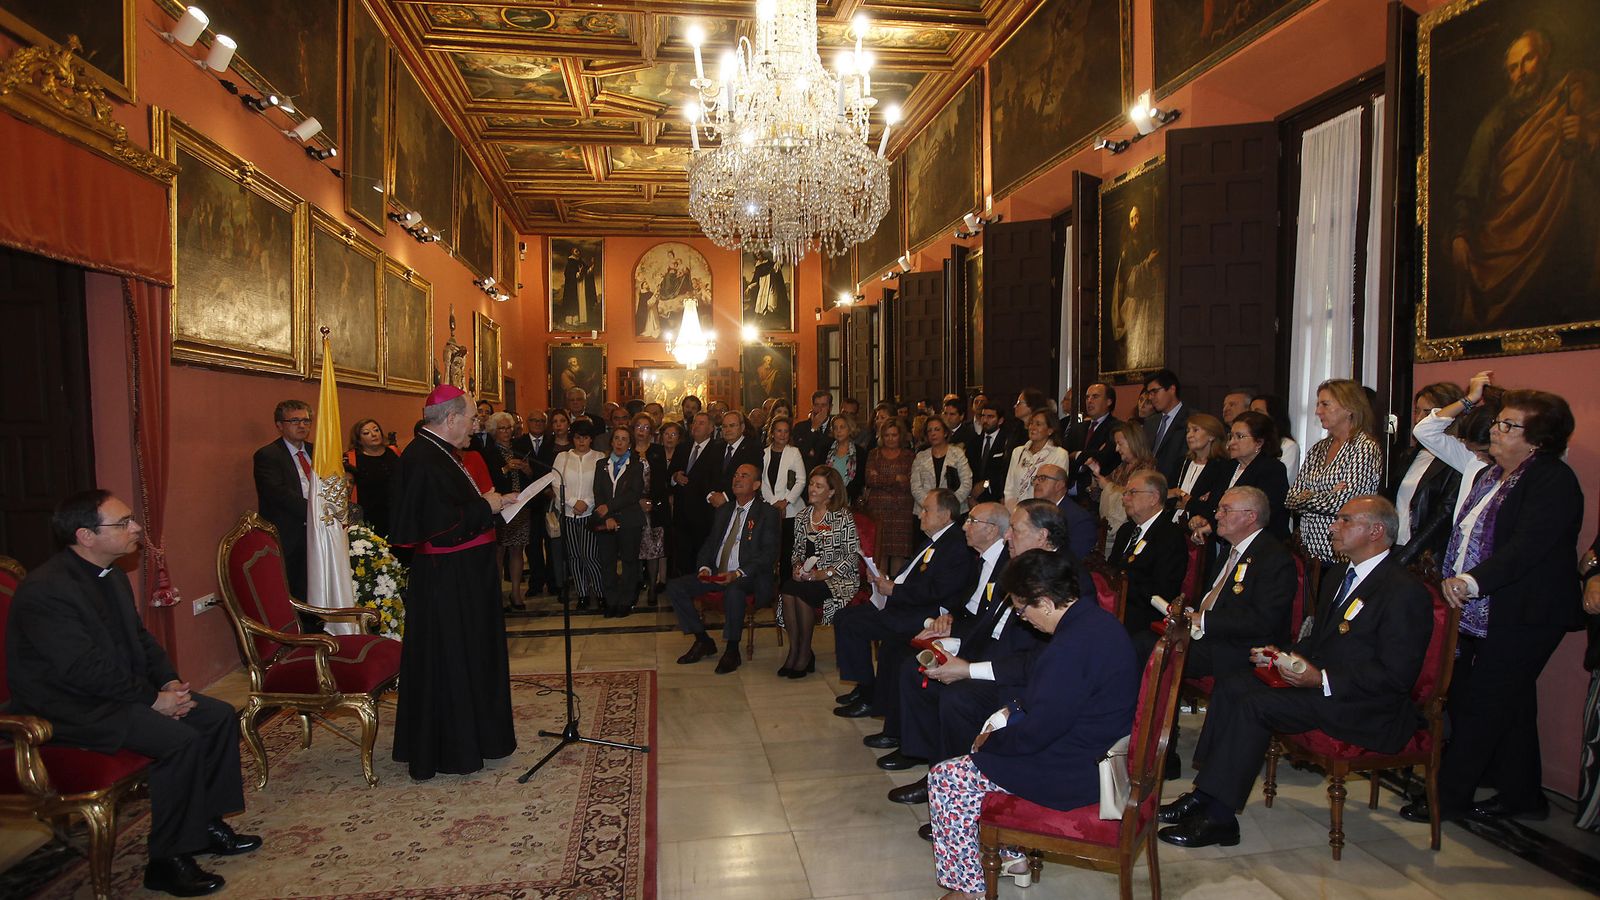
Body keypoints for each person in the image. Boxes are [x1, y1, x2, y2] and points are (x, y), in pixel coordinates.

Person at [7, 491, 261, 896]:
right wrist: (150, 701)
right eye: (122, 522)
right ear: (85, 535)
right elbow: (81, 670)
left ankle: (206, 825)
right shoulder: (48, 591)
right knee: (179, 742)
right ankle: (168, 860)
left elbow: (139, 641)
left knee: (215, 717)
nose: (136, 527)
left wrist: (167, 682)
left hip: (116, 695)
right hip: (70, 708)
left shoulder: (109, 574)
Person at [1158, 496, 1432, 849]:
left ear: (1376, 531)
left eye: (1345, 520)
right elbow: (1319, 644)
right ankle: (1206, 793)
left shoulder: (1403, 592)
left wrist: (1322, 679)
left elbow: (1397, 675)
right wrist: (1282, 656)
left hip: (1363, 703)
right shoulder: (1338, 575)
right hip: (1321, 686)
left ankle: (1221, 818)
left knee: (1254, 704)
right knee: (1234, 682)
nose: (1333, 527)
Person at [1398, 377, 1584, 824]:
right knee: (1511, 703)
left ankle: (1450, 798)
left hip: (1528, 612)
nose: (1495, 431)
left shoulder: (1551, 480)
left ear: (1538, 439)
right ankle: (1523, 796)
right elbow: (1428, 435)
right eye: (1498, 423)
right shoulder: (1490, 474)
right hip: (1486, 610)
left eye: (1508, 426)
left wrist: (1472, 581)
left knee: (1485, 703)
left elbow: (1528, 547)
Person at [927, 550, 1139, 900]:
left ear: (1044, 602)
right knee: (990, 740)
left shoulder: (1069, 648)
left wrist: (989, 744)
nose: (1023, 620)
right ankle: (1013, 856)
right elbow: (1059, 699)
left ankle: (966, 889)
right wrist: (1012, 713)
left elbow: (1041, 731)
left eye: (1022, 610)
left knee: (947, 778)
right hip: (1093, 749)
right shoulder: (1098, 623)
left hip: (1075, 770)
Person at [388, 385, 516, 781]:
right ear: (451, 419)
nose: (476, 424)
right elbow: (438, 527)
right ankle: (454, 747)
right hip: (448, 582)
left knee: (471, 656)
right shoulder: (422, 458)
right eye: (473, 417)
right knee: (452, 661)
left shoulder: (441, 452)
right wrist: (487, 505)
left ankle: (479, 735)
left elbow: (450, 508)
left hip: (464, 577)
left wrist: (490, 502)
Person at [1447, 29, 1599, 334]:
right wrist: (1461, 230)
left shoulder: (1573, 94)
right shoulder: (1496, 121)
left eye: (1527, 60)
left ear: (1543, 58)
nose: (1521, 72)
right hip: (1506, 233)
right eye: (1514, 68)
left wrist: (1589, 136)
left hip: (1566, 232)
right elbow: (1472, 176)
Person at [874, 501, 1014, 790]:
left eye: (972, 521)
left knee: (927, 674)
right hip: (968, 630)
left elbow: (991, 620)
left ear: (991, 530)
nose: (965, 526)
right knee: (911, 664)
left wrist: (955, 637)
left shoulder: (1006, 564)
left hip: (986, 644)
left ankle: (943, 777)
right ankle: (918, 751)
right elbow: (968, 603)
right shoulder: (981, 558)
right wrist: (948, 619)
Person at [834, 489, 975, 720]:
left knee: (854, 625)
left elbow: (938, 591)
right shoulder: (933, 541)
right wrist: (886, 579)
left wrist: (895, 590)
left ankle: (869, 693)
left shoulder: (955, 545)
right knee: (843, 617)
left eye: (926, 509)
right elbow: (913, 578)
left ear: (945, 514)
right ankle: (864, 686)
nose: (920, 514)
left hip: (926, 614)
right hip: (905, 601)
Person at [666, 463, 780, 674]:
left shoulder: (767, 513)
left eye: (744, 476)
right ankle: (702, 640)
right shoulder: (724, 510)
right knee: (675, 587)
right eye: (736, 475)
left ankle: (732, 649)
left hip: (749, 577)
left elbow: (768, 555)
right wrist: (704, 568)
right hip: (717, 574)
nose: (737, 479)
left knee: (735, 590)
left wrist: (737, 573)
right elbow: (710, 543)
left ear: (756, 484)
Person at [775, 466, 861, 678]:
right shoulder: (803, 515)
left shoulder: (842, 517)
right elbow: (796, 551)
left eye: (818, 486)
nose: (812, 489)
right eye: (811, 484)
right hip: (808, 576)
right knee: (788, 588)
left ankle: (803, 653)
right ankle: (796, 650)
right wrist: (797, 567)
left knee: (804, 592)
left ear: (831, 492)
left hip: (837, 578)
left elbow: (852, 556)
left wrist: (824, 574)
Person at [1286, 379, 1383, 565]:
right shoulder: (1319, 448)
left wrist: (1308, 497)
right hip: (1308, 551)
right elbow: (1290, 498)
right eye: (1317, 404)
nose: (1317, 411)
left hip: (1342, 553)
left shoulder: (1364, 448)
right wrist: (1326, 495)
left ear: (1349, 408)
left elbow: (1344, 504)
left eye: (1325, 404)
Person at [1387, 382, 1466, 566]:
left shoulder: (1456, 459)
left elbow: (1443, 515)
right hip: (1395, 545)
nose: (1419, 418)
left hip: (1428, 555)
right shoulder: (1410, 454)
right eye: (1417, 411)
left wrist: (1409, 553)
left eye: (1428, 413)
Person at [1107, 470, 1188, 638]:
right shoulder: (1126, 530)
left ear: (1154, 498)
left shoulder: (1170, 536)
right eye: (1125, 493)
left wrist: (1123, 586)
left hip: (1142, 615)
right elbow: (1111, 569)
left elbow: (1163, 590)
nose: (1125, 498)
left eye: (1132, 493)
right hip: (1113, 605)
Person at [1190, 410, 1289, 543]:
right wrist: (1204, 518)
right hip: (1224, 543)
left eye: (1239, 437)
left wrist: (1212, 526)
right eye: (1231, 436)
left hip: (1260, 546)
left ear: (1258, 443)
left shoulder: (1271, 469)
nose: (1231, 443)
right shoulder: (1227, 467)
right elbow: (1215, 504)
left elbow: (1261, 515)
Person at [253, 399, 314, 605]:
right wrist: (316, 511)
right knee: (294, 590)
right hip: (290, 535)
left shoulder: (318, 452)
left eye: (306, 420)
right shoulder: (268, 456)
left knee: (317, 586)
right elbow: (279, 494)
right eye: (294, 420)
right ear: (279, 425)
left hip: (319, 532)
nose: (302, 425)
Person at [592, 425, 647, 618]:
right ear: (611, 441)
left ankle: (626, 601)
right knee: (607, 562)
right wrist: (607, 516)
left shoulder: (637, 465)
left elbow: (633, 494)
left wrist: (611, 508)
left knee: (629, 562)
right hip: (606, 520)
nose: (620, 443)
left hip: (630, 521)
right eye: (617, 438)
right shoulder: (601, 464)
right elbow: (598, 493)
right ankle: (611, 600)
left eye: (624, 439)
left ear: (630, 444)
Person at [483, 412, 534, 612]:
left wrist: (526, 469)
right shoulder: (488, 453)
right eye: (502, 428)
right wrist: (505, 468)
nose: (506, 432)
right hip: (500, 505)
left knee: (517, 549)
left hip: (520, 505)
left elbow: (531, 476)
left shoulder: (520, 449)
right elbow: (488, 479)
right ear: (494, 431)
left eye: (509, 428)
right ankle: (498, 594)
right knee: (498, 551)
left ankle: (516, 592)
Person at [553, 419, 605, 608]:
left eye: (585, 438)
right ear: (572, 438)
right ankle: (582, 593)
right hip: (568, 513)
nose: (581, 441)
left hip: (590, 514)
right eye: (577, 437)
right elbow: (556, 483)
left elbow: (602, 486)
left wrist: (588, 503)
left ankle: (600, 592)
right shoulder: (563, 457)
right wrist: (573, 502)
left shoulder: (599, 457)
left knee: (590, 555)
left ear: (591, 439)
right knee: (574, 556)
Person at [865, 418, 917, 574]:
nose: (890, 439)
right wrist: (896, 478)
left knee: (898, 555)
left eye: (894, 435)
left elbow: (909, 482)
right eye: (886, 435)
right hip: (878, 511)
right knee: (880, 553)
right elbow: (870, 479)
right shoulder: (874, 454)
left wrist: (881, 479)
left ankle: (894, 592)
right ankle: (879, 595)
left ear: (900, 435)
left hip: (902, 511)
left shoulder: (909, 456)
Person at [1088, 422, 1156, 535]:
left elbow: (1135, 498)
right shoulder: (1122, 466)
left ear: (1133, 442)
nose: (1116, 449)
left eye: (1120, 444)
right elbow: (1101, 495)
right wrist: (1096, 478)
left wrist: (1107, 486)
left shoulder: (1146, 469)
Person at [761, 415, 807, 577]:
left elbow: (801, 480)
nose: (782, 435)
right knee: (770, 548)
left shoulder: (794, 452)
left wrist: (785, 501)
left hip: (792, 509)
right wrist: (775, 503)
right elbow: (762, 482)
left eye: (786, 432)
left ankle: (786, 585)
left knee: (788, 551)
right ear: (772, 433)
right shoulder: (764, 453)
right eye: (779, 431)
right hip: (770, 507)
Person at [1168, 412, 1232, 527]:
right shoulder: (1182, 462)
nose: (1189, 435)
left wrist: (1180, 495)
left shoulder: (1222, 466)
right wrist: (1189, 500)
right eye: (1188, 431)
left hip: (1197, 528)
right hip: (1172, 524)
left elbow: (1210, 507)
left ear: (1211, 436)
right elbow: (1166, 497)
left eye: (1195, 430)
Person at [630, 414, 670, 596]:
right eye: (638, 426)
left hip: (654, 506)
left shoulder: (657, 450)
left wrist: (652, 502)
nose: (642, 431)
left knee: (654, 548)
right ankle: (636, 584)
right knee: (633, 548)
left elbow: (661, 480)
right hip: (631, 505)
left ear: (652, 432)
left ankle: (653, 587)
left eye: (646, 427)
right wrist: (637, 501)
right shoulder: (628, 451)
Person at [1064, 382, 1121, 499]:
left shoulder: (1117, 428)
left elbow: (1105, 456)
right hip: (1069, 490)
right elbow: (1065, 455)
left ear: (1109, 401)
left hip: (1095, 492)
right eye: (1087, 397)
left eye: (1095, 397)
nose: (1089, 401)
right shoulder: (1078, 427)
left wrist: (1078, 455)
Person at [1002, 410, 1068, 510]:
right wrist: (1014, 511)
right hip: (1016, 511)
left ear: (1050, 430)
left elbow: (1057, 490)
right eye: (1031, 423)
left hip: (1043, 512)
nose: (1032, 427)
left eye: (1038, 424)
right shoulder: (1018, 452)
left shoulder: (1059, 454)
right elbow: (1009, 487)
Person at [345, 417, 399, 539]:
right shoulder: (352, 458)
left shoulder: (394, 452)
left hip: (395, 514)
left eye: (376, 430)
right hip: (368, 516)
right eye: (366, 433)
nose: (373, 435)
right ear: (358, 439)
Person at [912, 416, 974, 514]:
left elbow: (966, 483)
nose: (933, 433)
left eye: (937, 429)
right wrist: (931, 505)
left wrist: (948, 504)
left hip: (953, 510)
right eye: (929, 431)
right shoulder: (920, 457)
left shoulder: (958, 454)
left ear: (945, 432)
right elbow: (915, 487)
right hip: (925, 511)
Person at [1141, 370, 1190, 485]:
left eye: (1155, 391)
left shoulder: (1191, 420)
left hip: (1174, 485)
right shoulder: (1150, 422)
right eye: (1149, 393)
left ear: (1172, 389)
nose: (1151, 397)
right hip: (1148, 485)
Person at [969, 399, 1015, 505]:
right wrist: (970, 496)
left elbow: (1005, 471)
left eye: (990, 417)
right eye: (983, 416)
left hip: (997, 496)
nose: (985, 420)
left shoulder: (1007, 442)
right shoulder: (974, 441)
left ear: (1000, 420)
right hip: (975, 498)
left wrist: (986, 484)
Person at [1250, 393, 1300, 480]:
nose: (1251, 417)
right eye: (1250, 412)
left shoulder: (1288, 446)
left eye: (1258, 412)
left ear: (1273, 416)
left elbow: (1284, 479)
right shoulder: (1249, 442)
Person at [825, 413, 867, 503]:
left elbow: (860, 480)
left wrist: (843, 494)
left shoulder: (859, 452)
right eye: (835, 428)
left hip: (850, 500)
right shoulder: (825, 450)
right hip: (827, 499)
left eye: (842, 427)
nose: (838, 431)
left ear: (850, 429)